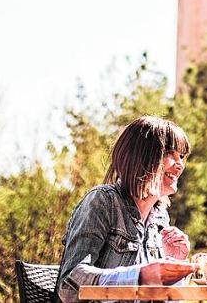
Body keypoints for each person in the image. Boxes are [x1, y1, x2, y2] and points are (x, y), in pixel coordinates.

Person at [54, 116, 197, 303]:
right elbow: (69, 286)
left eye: (182, 156)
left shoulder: (159, 217)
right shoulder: (103, 201)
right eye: (170, 153)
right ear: (142, 156)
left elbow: (162, 299)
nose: (179, 165)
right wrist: (139, 277)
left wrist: (174, 264)